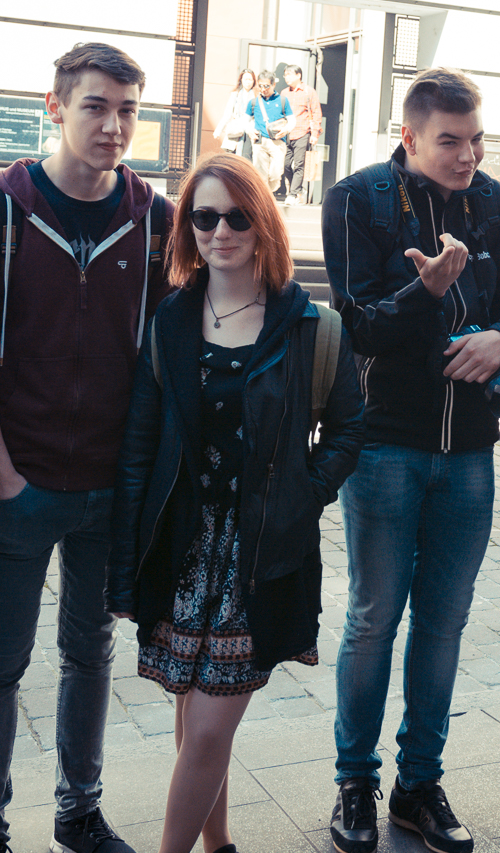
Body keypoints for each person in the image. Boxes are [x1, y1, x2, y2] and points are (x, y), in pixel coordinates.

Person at [322, 66, 500, 853]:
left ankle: (417, 784)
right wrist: (427, 291)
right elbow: (357, 324)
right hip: (385, 443)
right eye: (450, 142)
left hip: (469, 448)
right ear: (408, 136)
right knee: (373, 618)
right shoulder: (358, 200)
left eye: (476, 140)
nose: (468, 156)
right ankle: (355, 782)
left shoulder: (493, 201)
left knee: (444, 620)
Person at [0, 42, 173, 853]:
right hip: (19, 481)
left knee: (91, 652)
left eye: (127, 110)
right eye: (95, 107)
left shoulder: (155, 218)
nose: (113, 126)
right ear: (55, 106)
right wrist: (1, 472)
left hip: (110, 485)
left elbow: (168, 345)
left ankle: (79, 813)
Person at [106, 152, 363, 853]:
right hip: (183, 546)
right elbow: (139, 450)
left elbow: (349, 430)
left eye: (237, 217)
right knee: (194, 720)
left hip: (259, 552)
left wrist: (304, 495)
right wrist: (123, 569)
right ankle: (217, 842)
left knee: (208, 729)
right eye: (205, 217)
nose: (220, 231)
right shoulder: (170, 321)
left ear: (262, 224)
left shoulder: (308, 325)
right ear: (188, 226)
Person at [244, 71, 291, 198]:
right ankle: (264, 198)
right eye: (260, 86)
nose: (263, 89)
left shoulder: (282, 101)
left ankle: (268, 192)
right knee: (260, 174)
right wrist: (249, 130)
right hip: (259, 142)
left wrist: (286, 129)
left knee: (275, 175)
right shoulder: (253, 102)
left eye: (266, 86)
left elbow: (292, 120)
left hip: (277, 142)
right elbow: (245, 120)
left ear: (273, 84)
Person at [279, 64, 321, 204]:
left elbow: (316, 113)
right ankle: (297, 189)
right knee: (285, 165)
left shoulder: (309, 91)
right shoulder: (284, 93)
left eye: (289, 74)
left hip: (303, 132)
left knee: (299, 165)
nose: (286, 78)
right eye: (285, 75)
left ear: (298, 75)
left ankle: (292, 194)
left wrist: (314, 134)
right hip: (286, 133)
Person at [212, 68, 257, 162]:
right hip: (236, 130)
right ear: (241, 80)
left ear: (253, 81)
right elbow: (227, 114)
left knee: (246, 158)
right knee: (232, 158)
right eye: (246, 79)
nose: (248, 82)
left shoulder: (256, 96)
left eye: (250, 79)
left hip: (249, 131)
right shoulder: (235, 95)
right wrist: (218, 130)